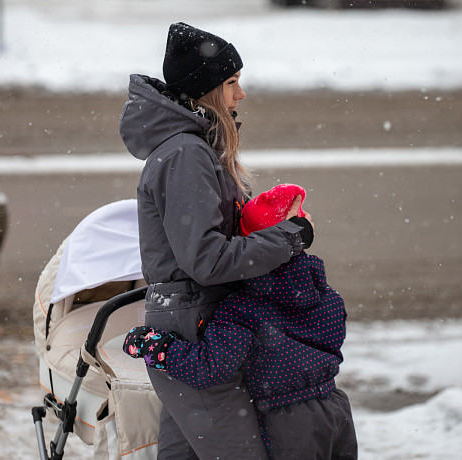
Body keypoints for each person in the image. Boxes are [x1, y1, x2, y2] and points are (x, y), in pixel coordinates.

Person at [119, 23, 315, 460]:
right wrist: (289, 238)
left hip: (194, 323)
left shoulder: (191, 149)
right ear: (206, 91)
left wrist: (258, 221)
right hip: (194, 330)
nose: (240, 94)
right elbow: (205, 260)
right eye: (231, 83)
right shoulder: (186, 154)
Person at [124, 184, 358, 460]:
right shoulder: (328, 296)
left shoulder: (244, 308)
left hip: (286, 423)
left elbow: (210, 368)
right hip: (334, 410)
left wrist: (154, 347)